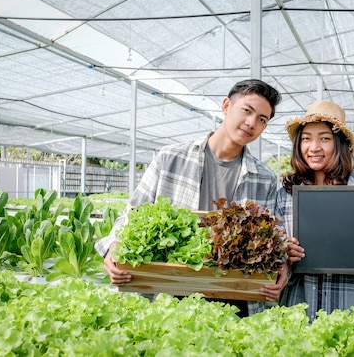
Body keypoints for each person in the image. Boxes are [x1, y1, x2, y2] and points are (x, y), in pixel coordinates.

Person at [95, 78, 286, 317]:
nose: (251, 123)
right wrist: (113, 246)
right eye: (246, 111)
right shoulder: (170, 158)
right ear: (226, 106)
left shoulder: (265, 178)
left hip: (233, 296)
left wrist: (283, 263)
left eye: (262, 120)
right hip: (170, 291)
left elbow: (273, 237)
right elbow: (133, 213)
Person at [275, 100, 354, 321]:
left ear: (340, 144)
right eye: (306, 138)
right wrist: (284, 255)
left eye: (324, 138)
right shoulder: (286, 196)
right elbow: (273, 263)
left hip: (352, 311)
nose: (314, 147)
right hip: (298, 310)